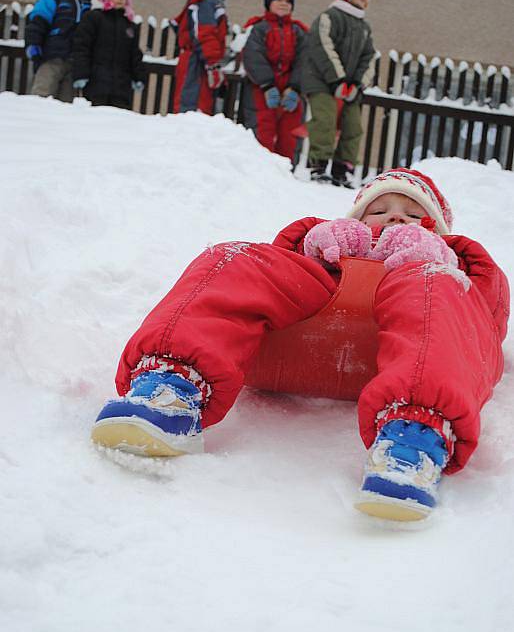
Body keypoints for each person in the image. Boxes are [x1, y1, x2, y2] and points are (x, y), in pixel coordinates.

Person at [91, 169, 509, 523]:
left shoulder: (451, 259)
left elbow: (483, 320)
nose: (394, 220)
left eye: (414, 215)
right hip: (309, 331)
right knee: (237, 256)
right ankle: (171, 385)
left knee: (441, 287)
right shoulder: (325, 240)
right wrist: (319, 247)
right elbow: (271, 268)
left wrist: (435, 258)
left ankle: (416, 439)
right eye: (378, 211)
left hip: (411, 346)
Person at [303, 0, 376, 188]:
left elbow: (369, 57)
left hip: (350, 86)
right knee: (324, 119)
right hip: (322, 81)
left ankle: (341, 169)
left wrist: (356, 84)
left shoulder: (364, 27)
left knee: (353, 126)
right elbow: (323, 46)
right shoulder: (329, 17)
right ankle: (318, 165)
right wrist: (338, 79)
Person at [241, 0, 308, 165]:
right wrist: (267, 84)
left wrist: (295, 87)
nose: (283, 4)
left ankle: (285, 174)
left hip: (290, 92)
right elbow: (253, 57)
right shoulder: (259, 29)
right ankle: (259, 170)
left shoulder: (299, 31)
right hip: (262, 91)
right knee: (262, 131)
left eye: (288, 1)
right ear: (268, 2)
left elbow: (305, 61)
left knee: (290, 135)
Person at [25, 0, 101, 103]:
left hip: (75, 65)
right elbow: (37, 23)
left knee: (65, 102)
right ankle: (34, 118)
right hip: (51, 57)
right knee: (42, 93)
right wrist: (33, 44)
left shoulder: (95, 11)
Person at [72, 0, 147, 109]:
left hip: (122, 88)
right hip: (96, 84)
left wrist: (139, 77)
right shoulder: (94, 18)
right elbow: (82, 47)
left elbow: (134, 54)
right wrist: (81, 74)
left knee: (117, 124)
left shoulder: (128, 25)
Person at [171, 0, 232, 115]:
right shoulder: (204, 3)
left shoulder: (213, 4)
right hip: (195, 65)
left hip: (203, 63)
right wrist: (213, 65)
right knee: (192, 107)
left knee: (204, 106)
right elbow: (204, 34)